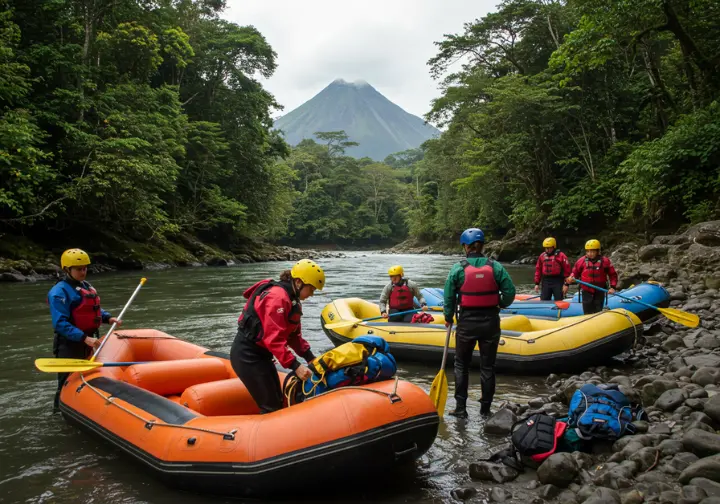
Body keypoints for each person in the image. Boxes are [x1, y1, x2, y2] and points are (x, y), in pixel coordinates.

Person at [231, 259, 324, 414]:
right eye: (311, 289)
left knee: (277, 400)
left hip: (262, 356)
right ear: (299, 282)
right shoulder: (277, 298)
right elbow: (273, 339)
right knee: (271, 407)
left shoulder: (293, 301)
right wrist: (295, 366)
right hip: (247, 355)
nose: (312, 294)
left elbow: (294, 337)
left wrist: (310, 358)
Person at [443, 228, 516, 418]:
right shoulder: (496, 267)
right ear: (482, 246)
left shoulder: (458, 268)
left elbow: (449, 296)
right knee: (488, 367)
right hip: (490, 322)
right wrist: (499, 303)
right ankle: (485, 410)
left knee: (461, 366)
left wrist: (448, 316)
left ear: (466, 247)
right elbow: (510, 292)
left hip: (467, 323)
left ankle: (460, 409)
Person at [48, 248, 121, 411]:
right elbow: (60, 323)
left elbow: (92, 309)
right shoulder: (59, 292)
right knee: (66, 384)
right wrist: (83, 338)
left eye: (85, 268)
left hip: (89, 340)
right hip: (69, 345)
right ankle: (58, 413)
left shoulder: (85, 286)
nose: (83, 272)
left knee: (89, 379)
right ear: (67, 269)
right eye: (79, 269)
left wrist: (108, 318)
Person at [566, 239, 618, 315]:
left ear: (597, 251)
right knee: (587, 312)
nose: (589, 253)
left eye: (592, 251)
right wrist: (571, 278)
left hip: (599, 291)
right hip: (586, 291)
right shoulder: (581, 261)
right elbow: (575, 272)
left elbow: (612, 274)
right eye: (588, 251)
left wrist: (613, 287)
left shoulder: (605, 261)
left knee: (597, 311)